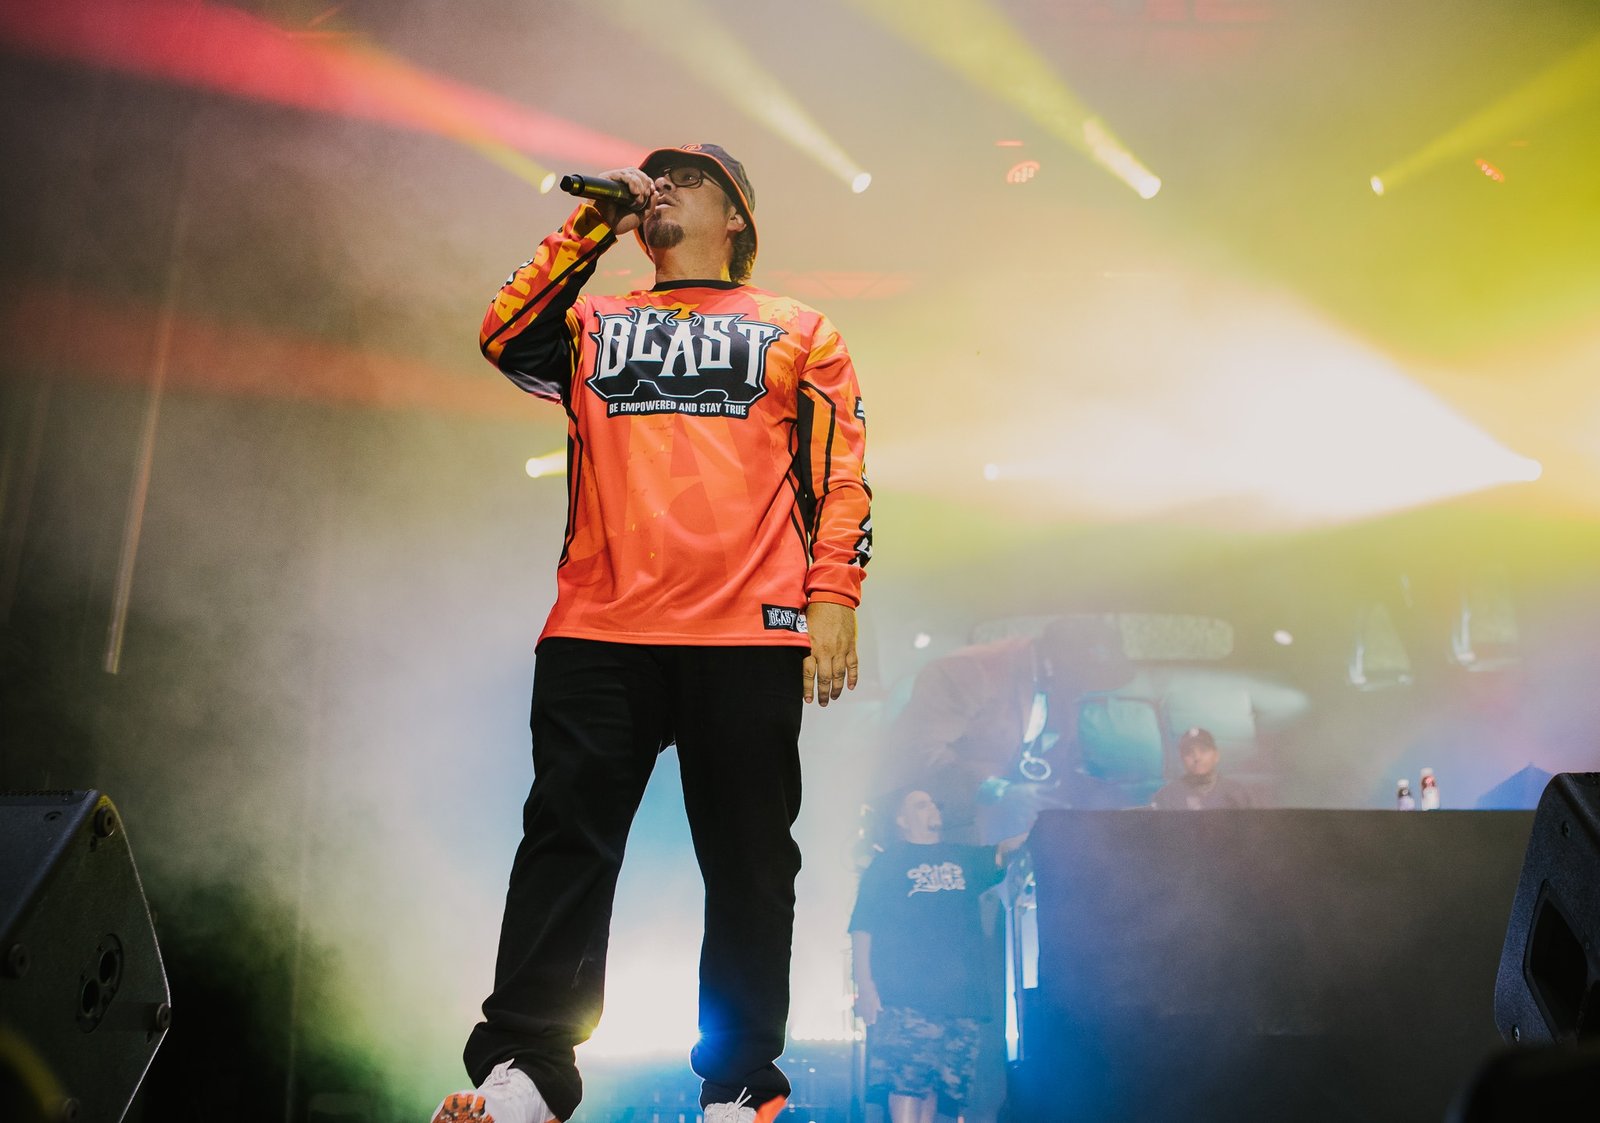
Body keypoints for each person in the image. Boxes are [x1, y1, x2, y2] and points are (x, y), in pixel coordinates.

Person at [431, 144, 872, 1123]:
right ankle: (530, 1070)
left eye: (688, 177)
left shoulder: (799, 328)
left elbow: (839, 474)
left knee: (751, 862)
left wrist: (834, 593)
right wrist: (592, 225)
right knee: (564, 843)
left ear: (737, 217)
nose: (661, 184)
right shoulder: (591, 321)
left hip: (746, 629)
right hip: (601, 623)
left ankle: (739, 1083)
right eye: (653, 175)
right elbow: (503, 334)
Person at [849, 789, 1025, 1123]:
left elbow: (1002, 851)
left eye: (933, 801)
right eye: (921, 804)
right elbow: (862, 926)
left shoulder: (963, 857)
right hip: (908, 994)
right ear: (902, 819)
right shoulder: (889, 862)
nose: (932, 807)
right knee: (906, 1083)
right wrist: (865, 985)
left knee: (936, 1087)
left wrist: (1040, 829)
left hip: (960, 998)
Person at [878, 616, 1136, 843]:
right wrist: (994, 791)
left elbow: (1061, 756)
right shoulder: (968, 671)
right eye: (1084, 677)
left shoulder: (1059, 683)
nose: (1086, 688)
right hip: (958, 817)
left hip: (1021, 814)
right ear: (1056, 663)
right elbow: (918, 750)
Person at [1149, 727, 1253, 810]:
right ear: (1182, 758)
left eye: (1203, 750)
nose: (1197, 758)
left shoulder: (1236, 793)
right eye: (1189, 752)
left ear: (1216, 756)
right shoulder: (1167, 796)